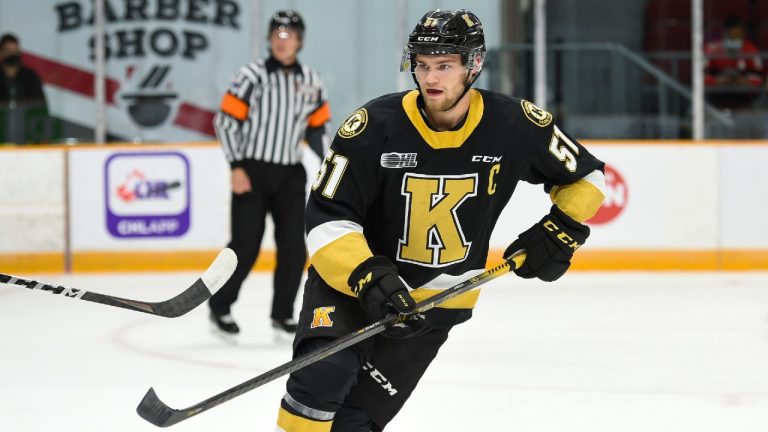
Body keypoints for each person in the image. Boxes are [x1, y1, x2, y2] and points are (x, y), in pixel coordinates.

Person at [275, 8, 606, 432]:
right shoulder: (374, 127)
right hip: (352, 287)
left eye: (444, 66)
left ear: (474, 64)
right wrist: (369, 278)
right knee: (319, 382)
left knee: (354, 421)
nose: (431, 79)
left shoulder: (514, 126)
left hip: (435, 301)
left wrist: (562, 228)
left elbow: (588, 176)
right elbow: (327, 216)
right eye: (423, 65)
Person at [211, 10, 331, 339]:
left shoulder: (312, 80)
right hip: (252, 171)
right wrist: (236, 166)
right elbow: (224, 122)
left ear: (300, 40)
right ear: (269, 39)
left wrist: (330, 165)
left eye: (289, 34)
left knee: (294, 247)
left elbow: (318, 129)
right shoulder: (251, 76)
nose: (282, 40)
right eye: (277, 34)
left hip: (290, 175)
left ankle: (282, 315)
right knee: (245, 246)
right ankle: (219, 307)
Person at [704, 16, 765, 109]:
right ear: (724, 34)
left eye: (737, 36)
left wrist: (741, 81)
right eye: (730, 36)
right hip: (715, 101)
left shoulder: (751, 51)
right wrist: (718, 81)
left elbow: (759, 80)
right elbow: (698, 78)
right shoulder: (711, 50)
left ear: (743, 35)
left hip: (744, 102)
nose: (734, 39)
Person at [0, 33, 48, 143]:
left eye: (15, 50)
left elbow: (41, 109)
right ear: (1, 52)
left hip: (27, 141)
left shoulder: (31, 77)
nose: (13, 53)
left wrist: (41, 137)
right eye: (8, 50)